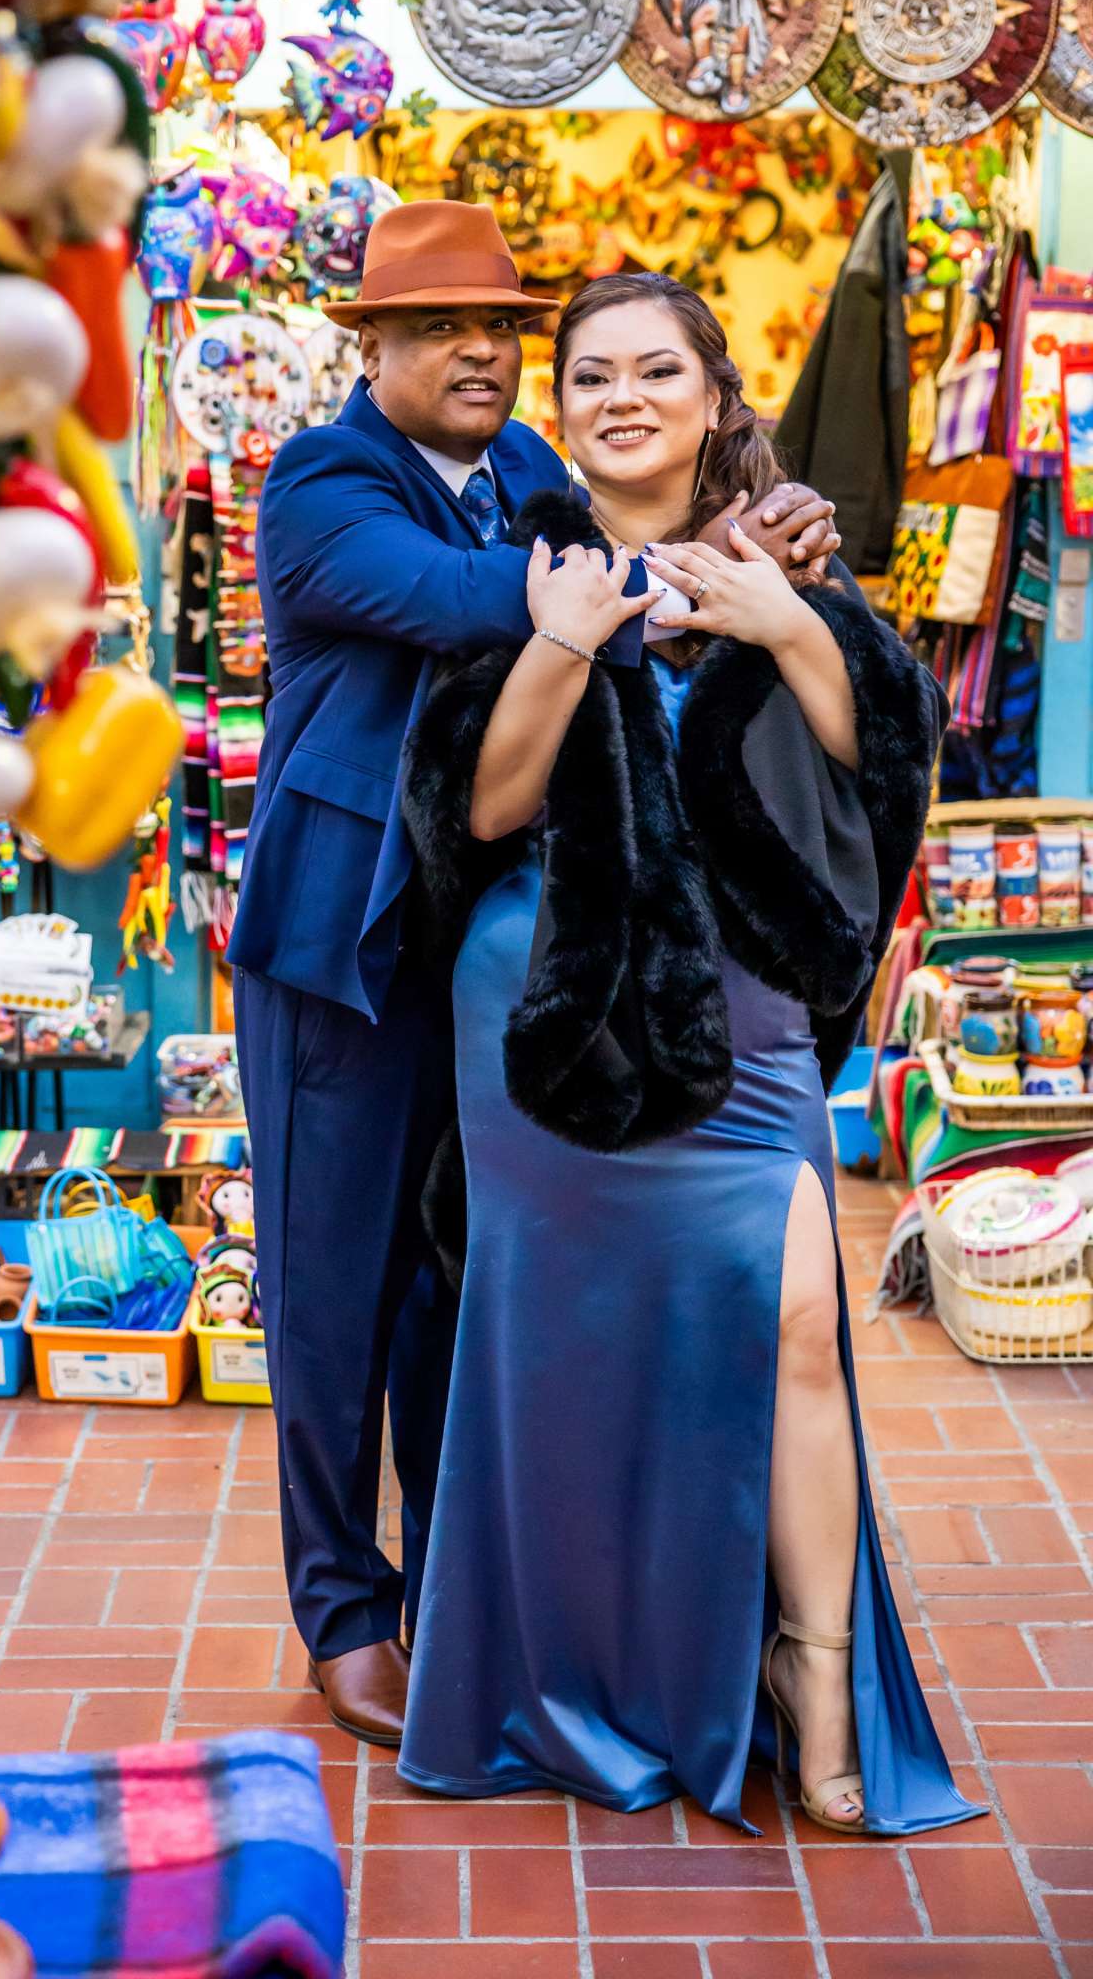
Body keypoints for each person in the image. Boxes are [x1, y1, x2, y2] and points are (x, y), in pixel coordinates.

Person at [230, 204, 841, 1752]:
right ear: (371, 346)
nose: (481, 351)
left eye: (502, 325)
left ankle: (454, 1588)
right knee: (331, 1298)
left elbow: (624, 564)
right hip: (346, 956)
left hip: (490, 942)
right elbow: (471, 607)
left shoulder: (524, 477)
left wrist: (755, 538)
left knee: (458, 1276)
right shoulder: (322, 482)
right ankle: (342, 1611)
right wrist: (681, 575)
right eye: (440, 327)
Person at [397, 271, 982, 1836]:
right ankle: (591, 1671)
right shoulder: (518, 568)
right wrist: (561, 644)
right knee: (569, 1361)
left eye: (658, 370)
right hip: (552, 1019)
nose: (622, 397)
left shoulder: (786, 556)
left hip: (749, 1021)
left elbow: (888, 765)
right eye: (591, 376)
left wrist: (791, 624)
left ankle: (810, 1668)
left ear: (717, 398)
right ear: (562, 409)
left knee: (795, 1325)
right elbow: (481, 810)